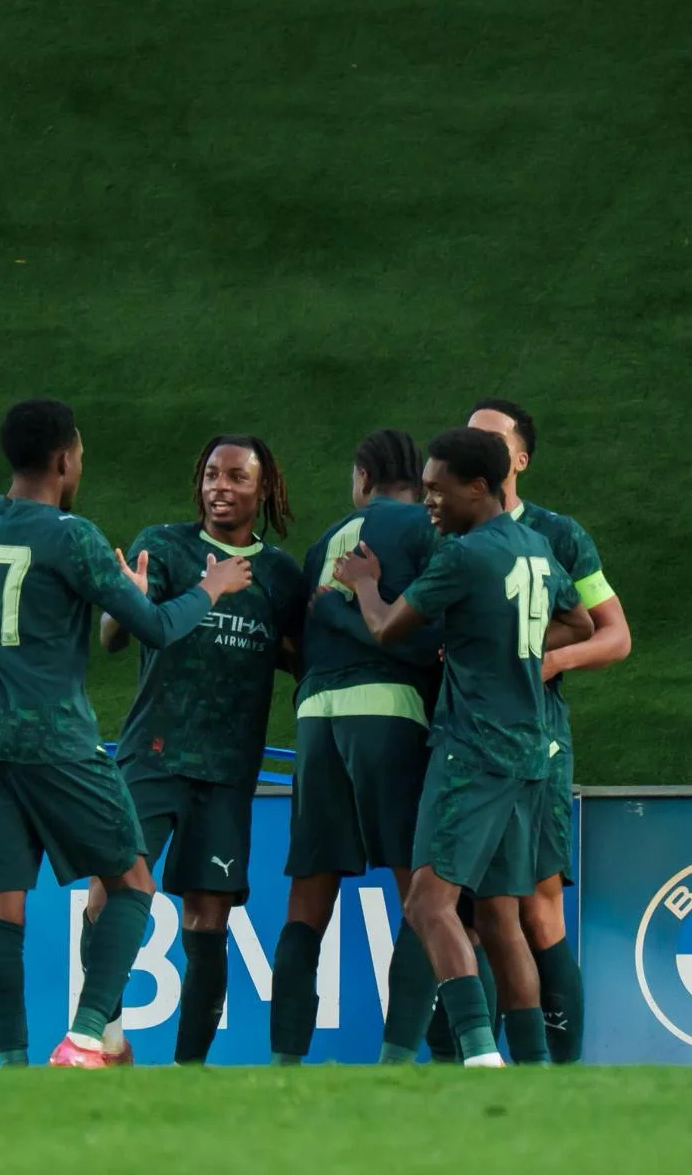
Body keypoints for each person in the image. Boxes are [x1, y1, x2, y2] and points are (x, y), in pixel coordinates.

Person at [0, 399, 253, 1069]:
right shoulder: (73, 536)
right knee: (135, 883)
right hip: (56, 742)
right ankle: (86, 1037)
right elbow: (158, 628)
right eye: (79, 455)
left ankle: (13, 1066)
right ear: (63, 460)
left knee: (4, 907)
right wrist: (215, 586)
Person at [332, 427, 592, 1066]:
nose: (428, 503)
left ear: (480, 487)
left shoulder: (464, 555)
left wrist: (364, 582)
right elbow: (580, 622)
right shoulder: (535, 547)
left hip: (473, 747)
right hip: (533, 754)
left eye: (437, 490)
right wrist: (511, 634)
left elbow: (389, 629)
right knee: (502, 916)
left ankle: (478, 1054)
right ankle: (531, 1066)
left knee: (429, 903)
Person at [84, 434, 307, 1066]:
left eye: (237, 477)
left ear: (263, 490)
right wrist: (125, 598)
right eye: (211, 474)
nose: (220, 487)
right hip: (151, 754)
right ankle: (108, 1033)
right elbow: (111, 639)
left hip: (227, 770)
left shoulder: (281, 575)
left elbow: (300, 658)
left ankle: (189, 1072)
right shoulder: (168, 544)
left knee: (208, 921)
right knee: (111, 893)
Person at [424, 399, 632, 1064]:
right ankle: (473, 1059)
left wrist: (544, 660)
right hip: (460, 732)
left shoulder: (557, 534)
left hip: (532, 735)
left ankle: (556, 1073)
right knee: (462, 906)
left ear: (518, 459)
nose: (474, 444)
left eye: (491, 438)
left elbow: (615, 635)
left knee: (532, 905)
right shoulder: (448, 525)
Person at [268, 429, 446, 1065]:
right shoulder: (423, 529)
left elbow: (299, 641)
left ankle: (284, 1064)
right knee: (424, 895)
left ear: (362, 478)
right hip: (389, 710)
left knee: (306, 903)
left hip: (315, 715)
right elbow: (429, 641)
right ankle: (396, 1061)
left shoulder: (321, 545)